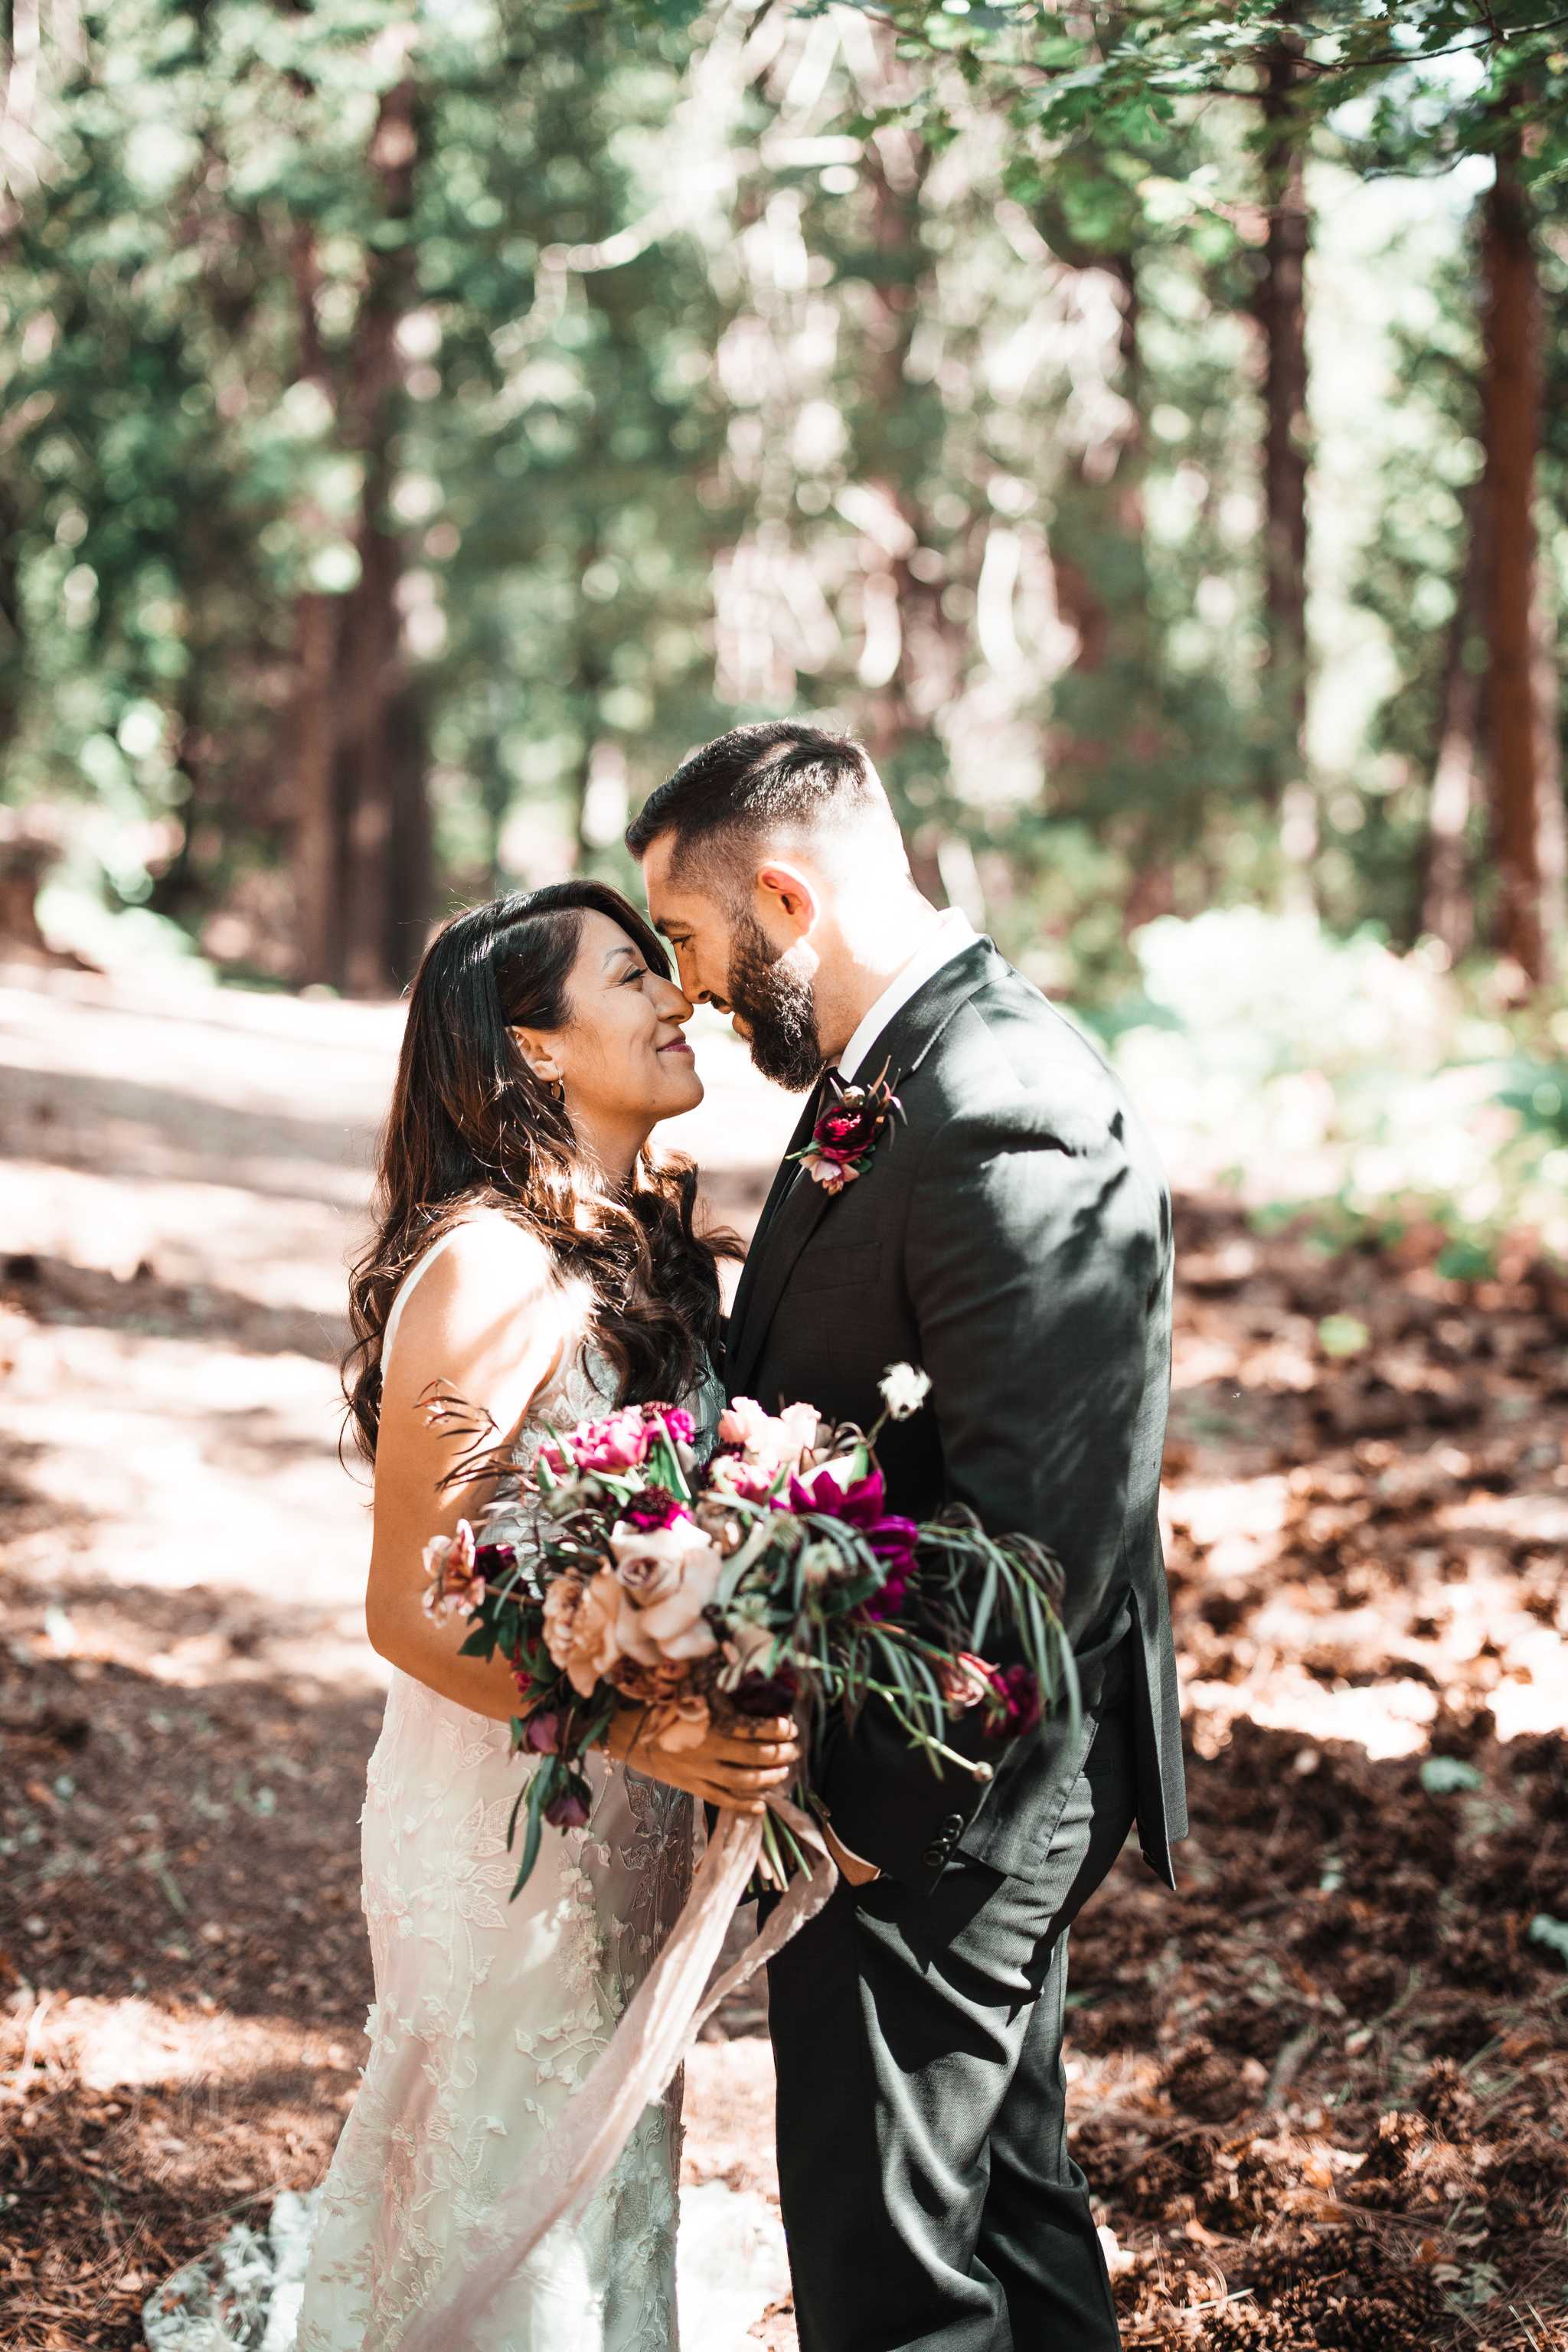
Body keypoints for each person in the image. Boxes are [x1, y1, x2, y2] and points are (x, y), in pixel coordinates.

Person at [629, 723, 1186, 2352]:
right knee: (998, 2220)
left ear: (784, 896)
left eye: (691, 938)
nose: (695, 993)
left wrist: (852, 1773)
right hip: (920, 1775)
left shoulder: (1003, 1101)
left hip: (944, 1788)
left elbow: (1036, 1536)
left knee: (891, 2279)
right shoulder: (898, 1066)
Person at [292, 881, 799, 2352]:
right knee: (504, 2187)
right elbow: (404, 1607)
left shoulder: (636, 1252)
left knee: (602, 2184)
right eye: (634, 975)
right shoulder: (484, 1272)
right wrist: (642, 1727)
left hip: (629, 1800)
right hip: (506, 1821)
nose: (681, 999)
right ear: (537, 1050)